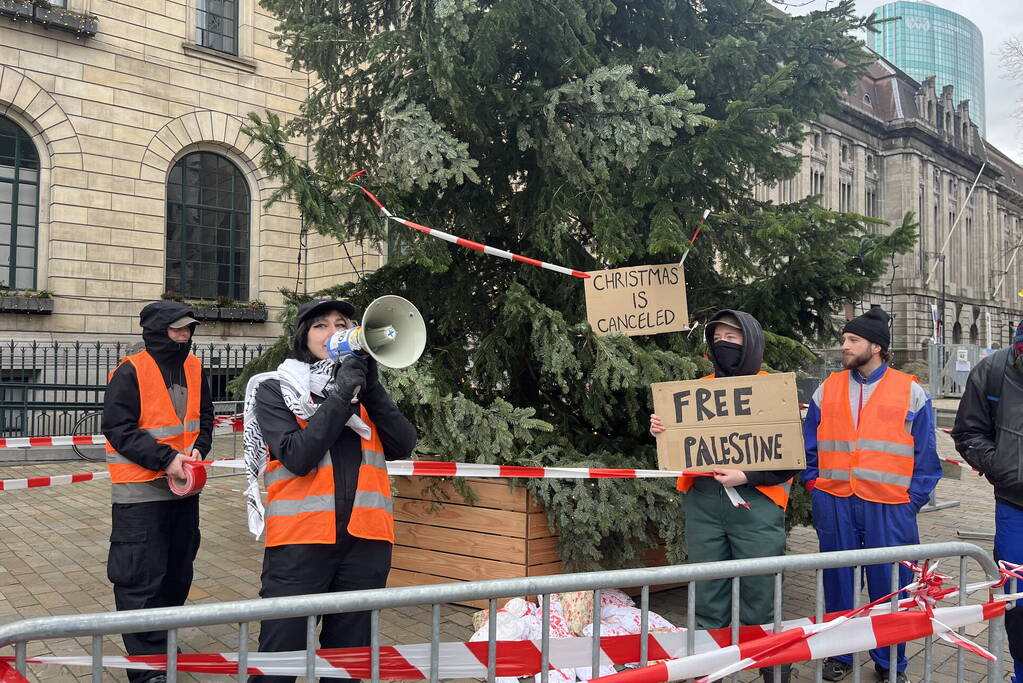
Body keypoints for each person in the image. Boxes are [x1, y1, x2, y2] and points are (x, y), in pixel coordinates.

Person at [244, 298, 417, 683]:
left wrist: (370, 389)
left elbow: (403, 443)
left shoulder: (361, 391)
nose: (333, 331)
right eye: (320, 325)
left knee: (349, 661)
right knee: (280, 657)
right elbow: (297, 456)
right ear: (303, 337)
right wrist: (340, 395)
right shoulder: (275, 389)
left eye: (342, 323)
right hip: (300, 544)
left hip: (365, 543)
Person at [650, 310, 799, 683]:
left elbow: (794, 459)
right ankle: (707, 668)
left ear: (750, 341)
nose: (724, 343)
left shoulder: (773, 391)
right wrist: (663, 430)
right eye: (718, 337)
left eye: (733, 337)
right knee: (707, 591)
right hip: (703, 502)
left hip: (758, 505)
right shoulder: (694, 391)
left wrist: (746, 474)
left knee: (759, 592)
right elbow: (681, 448)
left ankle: (772, 668)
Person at [802, 307, 940, 683]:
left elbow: (927, 458)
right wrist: (814, 486)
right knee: (839, 583)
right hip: (835, 502)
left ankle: (891, 663)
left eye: (852, 340)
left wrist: (911, 502)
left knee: (891, 587)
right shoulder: (826, 388)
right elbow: (807, 446)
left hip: (890, 507)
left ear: (876, 347)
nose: (843, 346)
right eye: (845, 339)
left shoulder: (910, 391)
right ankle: (840, 655)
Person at [102, 300, 214, 683]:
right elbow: (118, 428)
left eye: (188, 329)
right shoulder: (130, 371)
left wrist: (200, 447)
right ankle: (147, 664)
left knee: (176, 572)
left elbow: (205, 419)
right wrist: (166, 458)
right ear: (155, 331)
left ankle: (161, 641)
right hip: (140, 492)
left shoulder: (196, 367)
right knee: (139, 577)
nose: (184, 336)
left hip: (183, 489)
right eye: (176, 329)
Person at [951, 320, 1023, 683]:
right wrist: (1000, 465)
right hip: (1015, 506)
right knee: (1019, 599)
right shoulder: (994, 370)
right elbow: (967, 431)